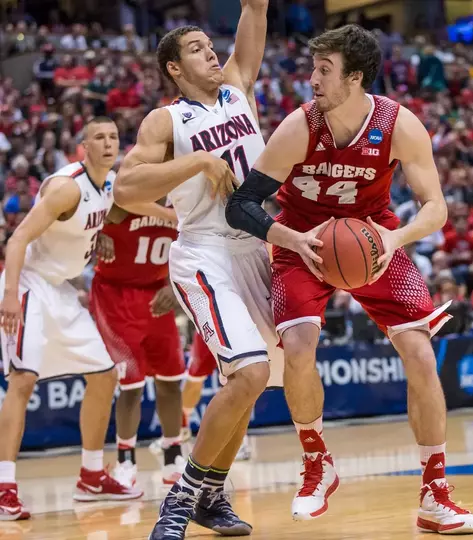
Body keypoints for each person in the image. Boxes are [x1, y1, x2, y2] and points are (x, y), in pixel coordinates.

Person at [226, 25, 473, 534]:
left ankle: (436, 493)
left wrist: (394, 238)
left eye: (325, 71)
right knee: (298, 347)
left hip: (374, 242)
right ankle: (317, 464)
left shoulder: (398, 125)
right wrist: (290, 238)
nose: (312, 80)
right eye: (313, 68)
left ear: (355, 77)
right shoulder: (299, 128)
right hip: (303, 244)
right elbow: (241, 204)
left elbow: (437, 210)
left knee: (421, 353)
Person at [113, 2, 283, 538]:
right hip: (205, 250)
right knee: (251, 372)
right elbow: (125, 189)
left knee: (248, 385)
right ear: (173, 68)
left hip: (255, 248)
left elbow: (255, 8)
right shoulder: (165, 119)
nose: (210, 53)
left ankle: (211, 494)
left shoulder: (237, 88)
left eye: (211, 46)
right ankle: (181, 500)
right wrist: (200, 161)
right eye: (196, 49)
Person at [0, 118, 144, 521]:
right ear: (83, 146)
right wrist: (10, 296)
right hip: (28, 285)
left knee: (104, 374)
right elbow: (17, 239)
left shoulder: (110, 183)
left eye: (114, 136)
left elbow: (115, 210)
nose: (108, 143)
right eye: (99, 137)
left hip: (61, 290)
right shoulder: (67, 188)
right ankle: (4, 486)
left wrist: (158, 220)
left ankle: (93, 475)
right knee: (22, 380)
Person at [89, 200, 187, 487]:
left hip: (158, 292)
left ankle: (173, 456)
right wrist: (97, 234)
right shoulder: (123, 196)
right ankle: (125, 460)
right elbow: (87, 223)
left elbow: (194, 249)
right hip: (116, 295)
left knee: (171, 379)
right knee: (131, 385)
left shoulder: (182, 199)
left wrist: (174, 286)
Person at [149, 332, 253, 462]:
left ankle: (240, 441)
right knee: (194, 377)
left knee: (235, 379)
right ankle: (180, 429)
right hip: (208, 324)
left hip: (236, 327)